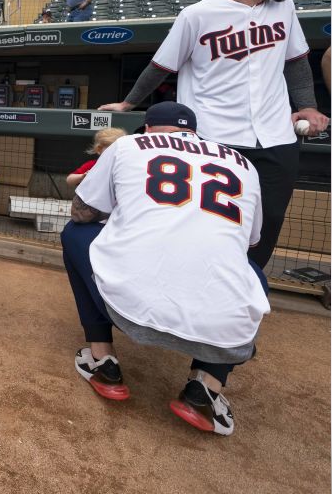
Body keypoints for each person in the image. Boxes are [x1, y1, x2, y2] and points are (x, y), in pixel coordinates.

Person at [97, 0, 330, 274]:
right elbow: (161, 65)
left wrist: (307, 105)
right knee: (208, 221)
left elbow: (296, 62)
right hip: (216, 138)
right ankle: (192, 283)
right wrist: (128, 102)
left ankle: (243, 288)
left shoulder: (285, 7)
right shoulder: (198, 14)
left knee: (269, 220)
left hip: (276, 135)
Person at [62, 102, 268, 436]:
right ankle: (205, 388)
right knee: (253, 274)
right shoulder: (243, 163)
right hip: (222, 331)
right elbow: (250, 243)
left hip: (127, 309)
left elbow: (81, 214)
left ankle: (102, 360)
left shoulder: (127, 145)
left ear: (147, 128)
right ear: (195, 132)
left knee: (75, 234)